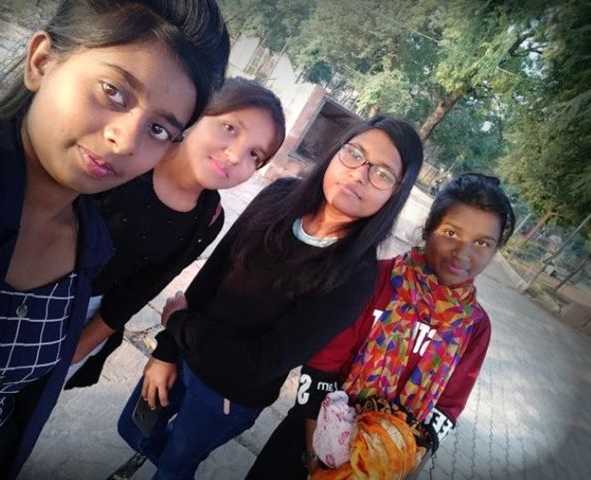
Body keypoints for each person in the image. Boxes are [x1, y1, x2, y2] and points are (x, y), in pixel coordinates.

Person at [0, 1, 229, 478]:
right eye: (113, 92)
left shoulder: (89, 245)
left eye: (159, 128)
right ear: (42, 61)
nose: (127, 140)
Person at [115, 114, 424, 479]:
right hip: (183, 352)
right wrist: (167, 349)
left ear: (395, 193)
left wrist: (179, 323)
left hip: (225, 396)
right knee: (132, 428)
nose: (359, 174)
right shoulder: (280, 195)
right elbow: (213, 273)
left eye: (382, 174)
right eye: (355, 154)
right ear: (337, 152)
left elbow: (260, 363)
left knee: (174, 466)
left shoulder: (355, 276)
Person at [247, 173, 516, 479]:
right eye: (451, 233)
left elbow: (446, 407)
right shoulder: (373, 279)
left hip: (381, 466)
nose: (463, 253)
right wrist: (315, 452)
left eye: (482, 243)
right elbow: (323, 362)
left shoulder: (475, 327)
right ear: (428, 229)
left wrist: (407, 465)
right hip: (310, 435)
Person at [65, 77, 286, 388]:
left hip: (86, 316)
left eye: (255, 155)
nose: (236, 156)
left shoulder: (209, 218)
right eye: (230, 128)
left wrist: (80, 349)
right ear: (197, 113)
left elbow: (142, 288)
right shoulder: (131, 150)